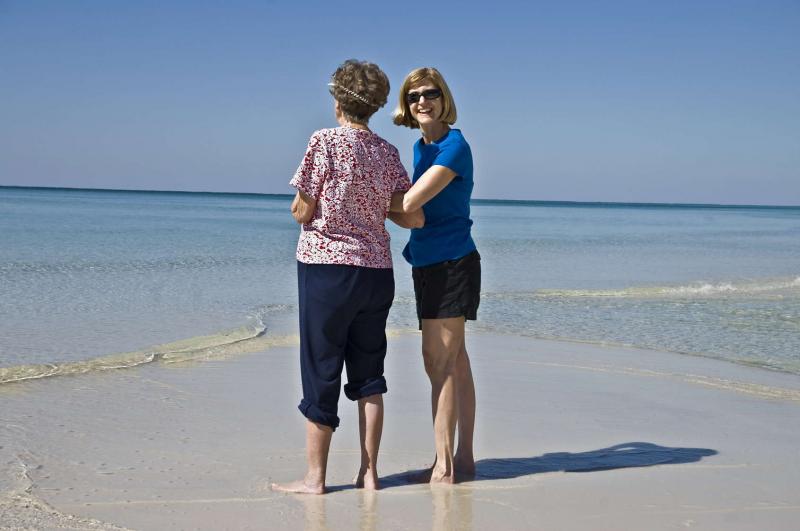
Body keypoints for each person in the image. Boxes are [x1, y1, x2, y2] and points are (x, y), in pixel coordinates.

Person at [272, 59, 423, 495]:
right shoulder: (388, 152)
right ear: (374, 106)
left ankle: (315, 479)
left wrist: (308, 211)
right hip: (376, 272)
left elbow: (303, 208)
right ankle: (369, 472)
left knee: (322, 368)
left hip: (326, 269)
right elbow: (407, 214)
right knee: (369, 371)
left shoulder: (324, 142)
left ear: (338, 99)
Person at [391, 67, 480, 484]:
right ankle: (462, 460)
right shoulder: (420, 147)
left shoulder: (454, 147)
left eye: (430, 94)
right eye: (414, 97)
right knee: (455, 361)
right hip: (427, 261)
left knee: (438, 362)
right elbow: (412, 214)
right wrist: (405, 213)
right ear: (406, 106)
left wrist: (357, 196)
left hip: (452, 262)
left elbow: (411, 203)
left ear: (444, 99)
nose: (422, 102)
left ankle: (444, 467)